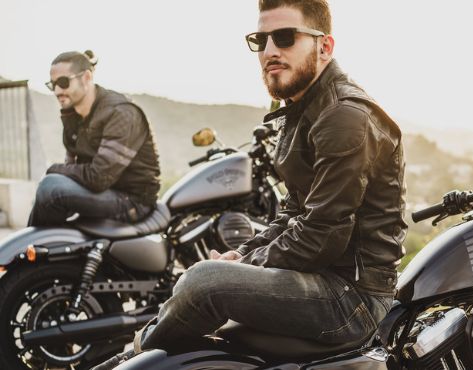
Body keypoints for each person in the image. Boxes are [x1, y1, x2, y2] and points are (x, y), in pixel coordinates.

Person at [92, 1, 406, 367]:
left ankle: (132, 355)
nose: (270, 50)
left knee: (204, 283)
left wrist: (246, 264)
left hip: (352, 299)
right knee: (205, 277)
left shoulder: (344, 115)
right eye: (261, 40)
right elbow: (292, 212)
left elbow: (321, 234)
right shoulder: (302, 107)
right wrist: (242, 256)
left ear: (325, 47)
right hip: (321, 281)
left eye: (286, 37)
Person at [27, 50, 161, 227]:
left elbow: (99, 178)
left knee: (51, 188)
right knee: (48, 192)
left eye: (63, 82)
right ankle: (37, 250)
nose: (58, 91)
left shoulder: (120, 113)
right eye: (52, 85)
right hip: (103, 192)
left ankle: (32, 249)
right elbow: (72, 166)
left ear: (86, 78)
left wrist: (53, 169)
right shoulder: (73, 115)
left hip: (133, 201)